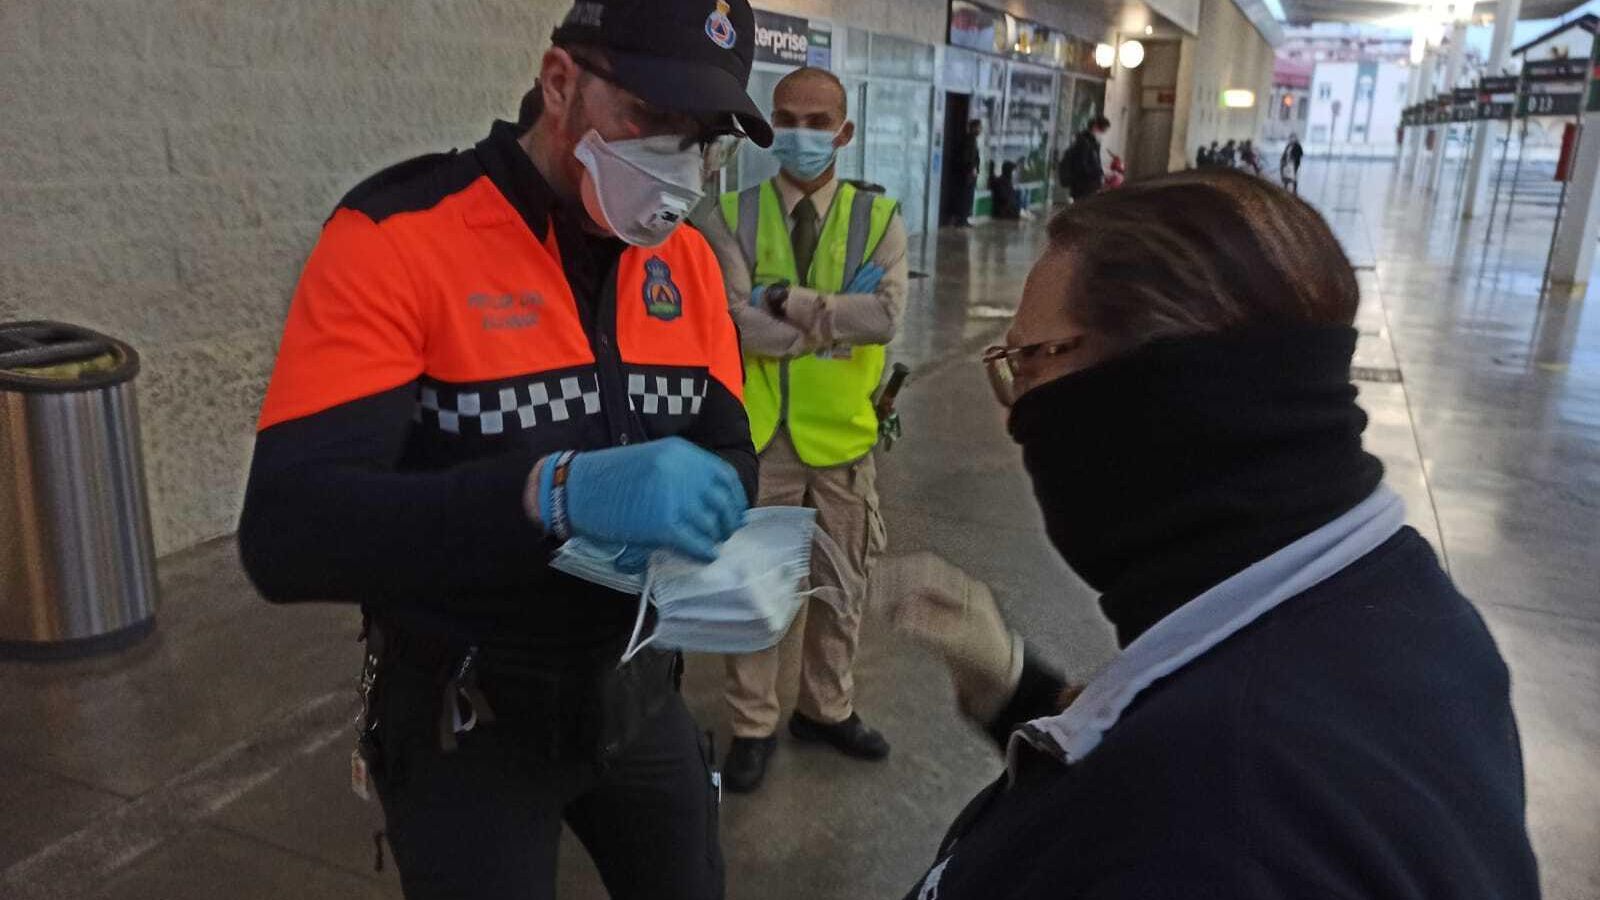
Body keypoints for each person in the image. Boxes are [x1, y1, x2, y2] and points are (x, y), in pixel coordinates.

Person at [877, 169, 1540, 898]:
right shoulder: (1398, 605)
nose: (1013, 414)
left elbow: (1180, 806)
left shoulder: (1219, 834)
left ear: (1159, 390)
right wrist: (1013, 686)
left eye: (1029, 363)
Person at [237, 1, 774, 897]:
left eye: (703, 139)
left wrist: (721, 512)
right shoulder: (398, 236)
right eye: (650, 121)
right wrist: (547, 493)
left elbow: (726, 441)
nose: (678, 171)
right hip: (471, 719)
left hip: (637, 695)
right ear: (560, 82)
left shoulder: (682, 265)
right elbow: (287, 533)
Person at [701, 65, 907, 793]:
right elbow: (731, 321)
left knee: (841, 585)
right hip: (761, 438)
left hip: (845, 438)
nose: (801, 134)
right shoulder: (730, 215)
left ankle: (826, 709)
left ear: (844, 132)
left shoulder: (878, 220)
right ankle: (752, 723)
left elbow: (883, 318)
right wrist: (827, 322)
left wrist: (783, 301)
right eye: (787, 118)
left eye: (818, 123)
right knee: (754, 589)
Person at [1061, 116, 1109, 201]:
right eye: (1102, 131)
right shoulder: (1084, 143)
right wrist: (1098, 172)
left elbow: (1094, 162)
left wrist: (1101, 173)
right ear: (1095, 127)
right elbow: (1082, 166)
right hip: (1083, 188)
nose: (1102, 134)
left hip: (1088, 187)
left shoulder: (1093, 143)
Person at [955, 119, 983, 226]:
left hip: (969, 174)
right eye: (979, 127)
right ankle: (961, 219)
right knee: (965, 196)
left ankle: (964, 219)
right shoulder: (969, 140)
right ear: (974, 128)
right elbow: (967, 157)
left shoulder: (972, 140)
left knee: (967, 197)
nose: (980, 130)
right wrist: (972, 169)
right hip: (967, 174)